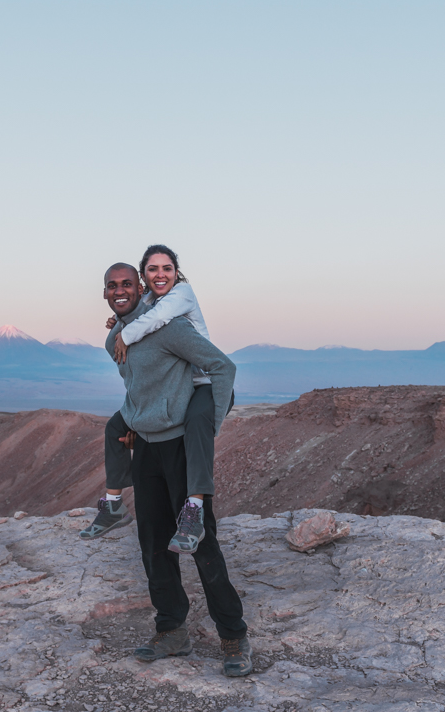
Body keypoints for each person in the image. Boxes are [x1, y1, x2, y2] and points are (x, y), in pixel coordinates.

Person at [84, 260, 253, 677]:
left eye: (127, 284)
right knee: (153, 544)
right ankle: (171, 629)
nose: (120, 291)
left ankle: (233, 635)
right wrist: (135, 422)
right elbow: (138, 388)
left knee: (202, 544)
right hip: (147, 451)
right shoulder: (114, 339)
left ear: (142, 287)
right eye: (112, 286)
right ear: (104, 293)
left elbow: (222, 368)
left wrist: (206, 424)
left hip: (180, 448)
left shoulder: (170, 327)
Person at [81, 245, 223, 555]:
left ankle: (195, 506)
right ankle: (114, 505)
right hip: (181, 387)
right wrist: (117, 324)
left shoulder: (181, 295)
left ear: (176, 271)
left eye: (167, 268)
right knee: (114, 429)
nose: (161, 274)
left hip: (204, 383)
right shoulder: (148, 299)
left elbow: (154, 319)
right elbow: (134, 312)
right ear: (145, 276)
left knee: (199, 425)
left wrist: (124, 334)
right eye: (153, 268)